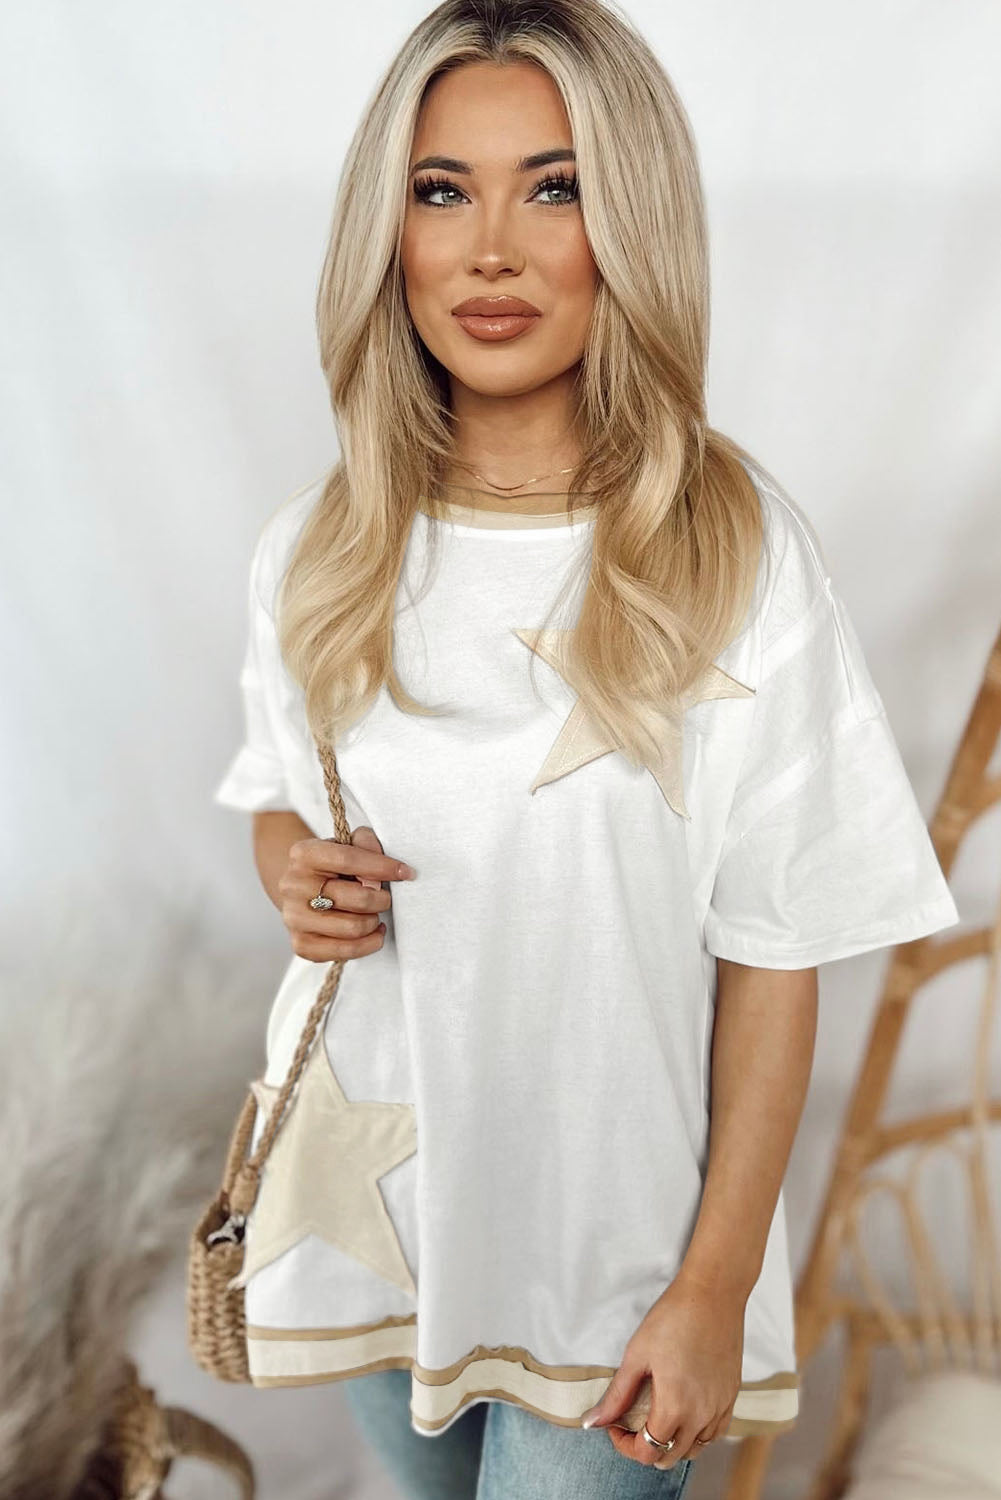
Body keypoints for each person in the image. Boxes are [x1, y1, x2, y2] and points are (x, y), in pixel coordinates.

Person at [211, 3, 960, 1496]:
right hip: (374, 1223)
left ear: (631, 225)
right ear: (388, 234)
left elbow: (775, 954)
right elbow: (278, 801)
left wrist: (713, 1286)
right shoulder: (320, 546)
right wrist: (297, 875)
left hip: (618, 1265)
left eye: (552, 188)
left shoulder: (733, 553)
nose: (491, 250)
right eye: (442, 190)